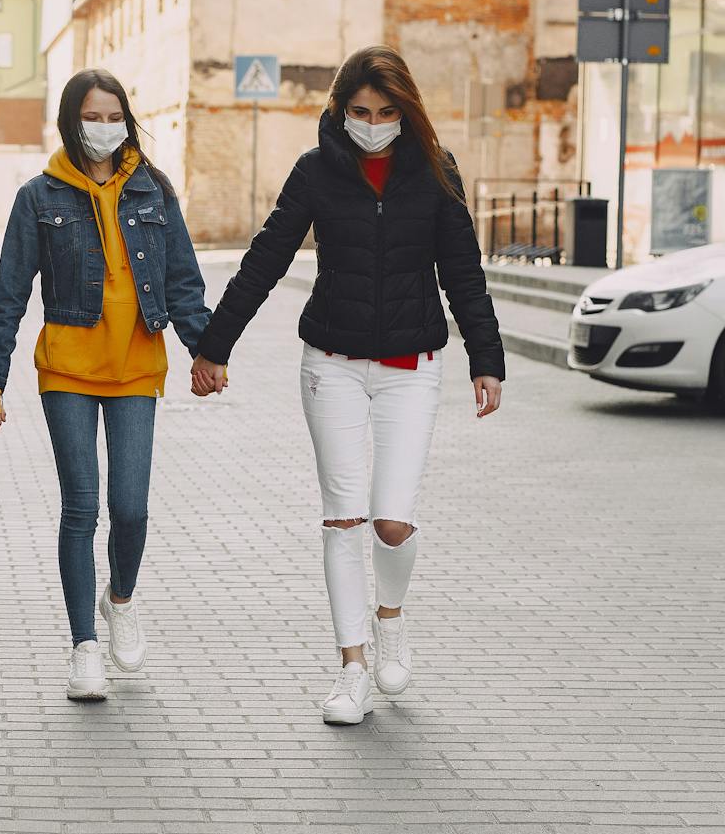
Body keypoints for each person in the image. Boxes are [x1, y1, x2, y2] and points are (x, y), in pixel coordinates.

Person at [191, 45, 503, 726]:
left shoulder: (436, 171)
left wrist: (488, 358)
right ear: (340, 110)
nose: (373, 123)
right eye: (360, 111)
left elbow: (463, 271)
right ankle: (352, 669)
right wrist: (215, 347)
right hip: (330, 363)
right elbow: (266, 257)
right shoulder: (317, 171)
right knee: (343, 517)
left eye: (387, 112)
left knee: (391, 521)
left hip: (410, 370)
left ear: (407, 111)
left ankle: (390, 619)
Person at [0, 69, 211, 702]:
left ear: (127, 122)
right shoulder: (38, 197)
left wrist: (206, 351)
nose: (104, 128)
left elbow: (183, 278)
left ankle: (120, 599)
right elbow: (11, 296)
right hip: (68, 368)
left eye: (114, 117)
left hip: (138, 366)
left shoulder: (154, 190)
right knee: (82, 506)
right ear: (71, 121)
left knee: (130, 508)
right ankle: (83, 648)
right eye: (92, 116)